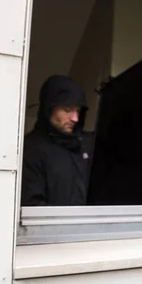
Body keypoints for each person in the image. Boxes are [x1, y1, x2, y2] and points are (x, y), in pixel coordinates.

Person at [21, 75, 93, 206]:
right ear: (49, 109)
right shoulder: (32, 148)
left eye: (78, 111)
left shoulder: (83, 145)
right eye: (68, 110)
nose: (75, 118)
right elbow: (32, 205)